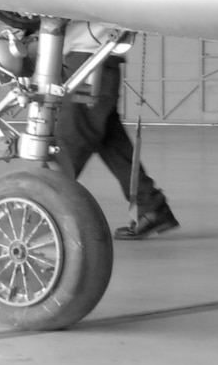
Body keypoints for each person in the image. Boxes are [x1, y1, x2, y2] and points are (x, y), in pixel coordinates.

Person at [55, 28, 180, 240]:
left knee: (72, 138)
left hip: (90, 62)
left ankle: (46, 208)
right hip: (95, 59)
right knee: (111, 142)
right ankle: (150, 207)